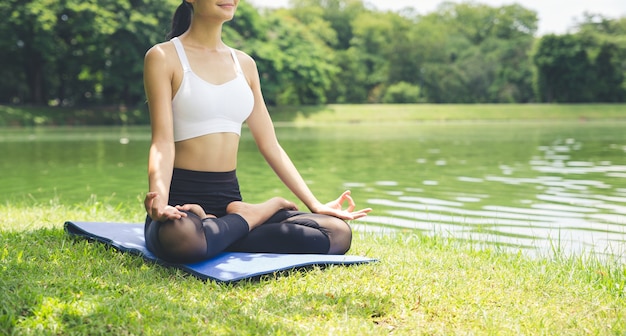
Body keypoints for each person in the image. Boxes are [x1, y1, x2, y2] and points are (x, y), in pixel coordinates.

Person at [143, 0, 371, 264]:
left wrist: (315, 203)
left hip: (228, 200)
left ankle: (222, 228)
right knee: (181, 239)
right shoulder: (162, 56)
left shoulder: (244, 64)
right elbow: (162, 142)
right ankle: (253, 216)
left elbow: (270, 144)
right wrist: (159, 199)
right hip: (181, 204)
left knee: (337, 233)